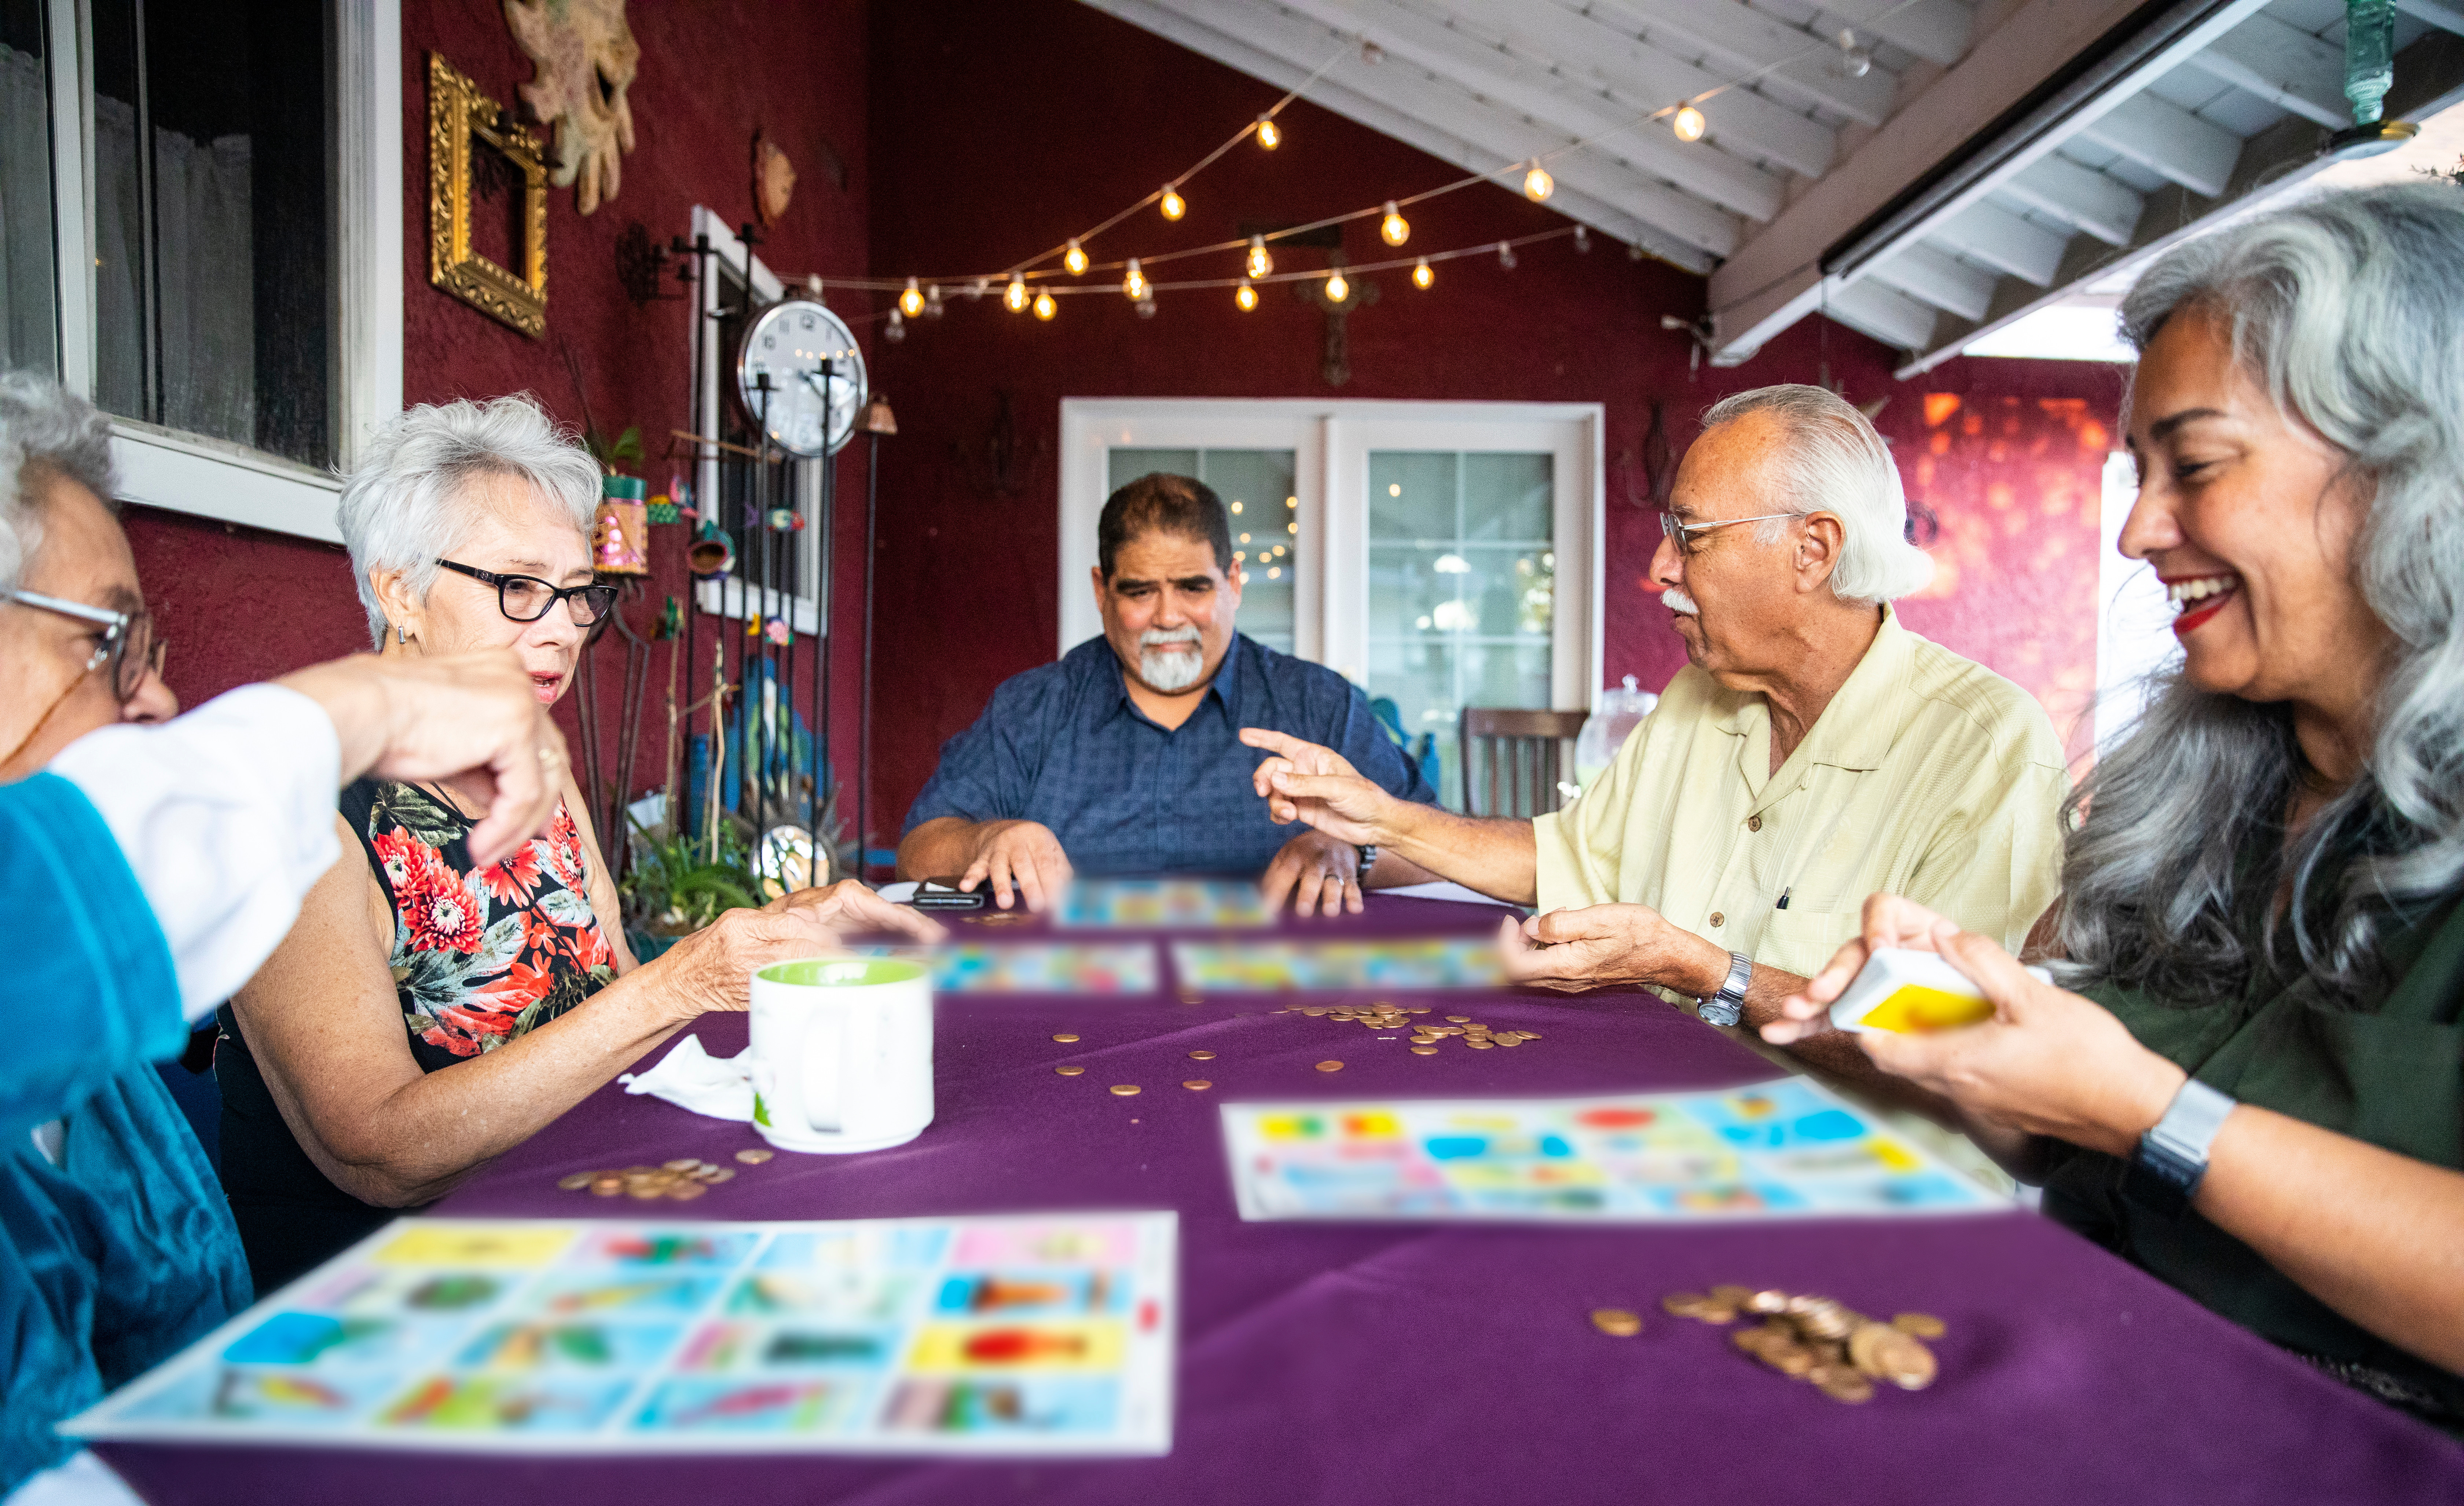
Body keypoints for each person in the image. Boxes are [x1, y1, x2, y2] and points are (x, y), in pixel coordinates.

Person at [1764, 183, 2464, 1431]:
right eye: (2138, 471)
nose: (2141, 528)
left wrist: (2156, 1114)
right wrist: (1954, 1036)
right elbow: (2072, 1144)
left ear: (2414, 470)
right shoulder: (2179, 796)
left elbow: (2145, 1119)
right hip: (2080, 1400)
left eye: (2193, 465)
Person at [0, 369, 574, 1506]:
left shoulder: (91, 1072)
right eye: (105, 643)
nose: (152, 700)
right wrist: (358, 709)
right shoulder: (271, 847)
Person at [213, 396, 940, 1293]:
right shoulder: (294, 813)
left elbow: (612, 999)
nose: (562, 628)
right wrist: (689, 977)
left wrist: (773, 929)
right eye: (520, 587)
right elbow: (380, 1153)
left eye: (577, 592)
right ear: (398, 587)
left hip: (587, 1205)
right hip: (397, 1296)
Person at [1247, 385, 2069, 1031]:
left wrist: (1708, 972)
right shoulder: (1698, 695)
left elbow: (1954, 1028)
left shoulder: (1990, 744)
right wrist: (1379, 817)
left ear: (1812, 551)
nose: (1660, 566)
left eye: (1693, 534)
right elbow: (1566, 857)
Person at [895, 471, 1438, 914]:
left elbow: (1437, 849)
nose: (1169, 616)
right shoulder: (1031, 707)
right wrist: (988, 838)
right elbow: (918, 853)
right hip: (1069, 991)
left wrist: (1354, 851)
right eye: (1139, 592)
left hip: (1285, 997)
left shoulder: (1320, 704)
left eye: (1193, 588)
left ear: (1234, 583)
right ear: (1100, 591)